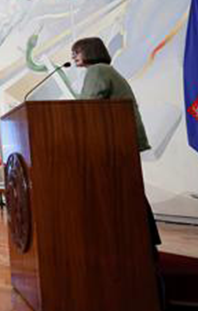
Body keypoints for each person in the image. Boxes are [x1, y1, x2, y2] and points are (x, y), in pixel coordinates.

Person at [72, 37, 164, 298]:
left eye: (76, 52)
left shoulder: (97, 71)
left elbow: (88, 107)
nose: (74, 56)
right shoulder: (107, 71)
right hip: (121, 140)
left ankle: (135, 244)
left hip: (115, 142)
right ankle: (145, 244)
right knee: (131, 191)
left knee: (125, 194)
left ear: (88, 52)